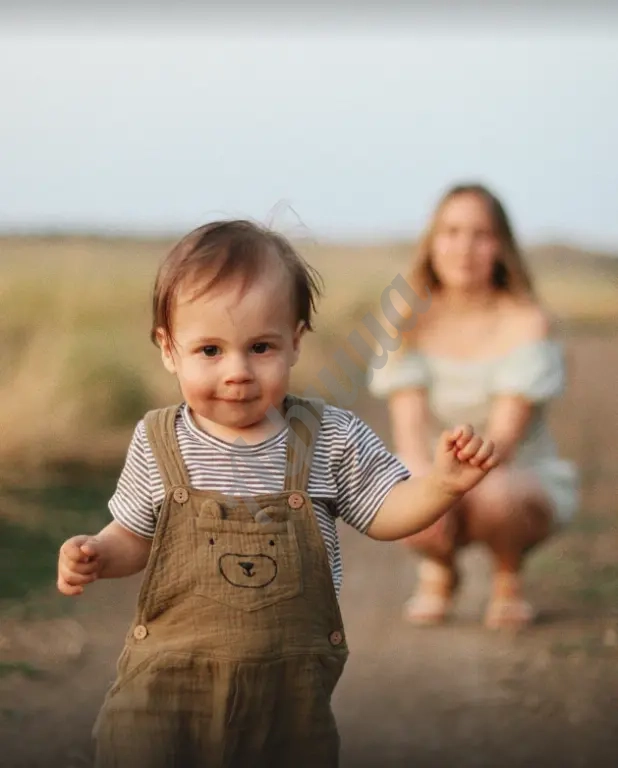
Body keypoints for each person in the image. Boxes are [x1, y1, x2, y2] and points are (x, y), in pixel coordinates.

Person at [56, 219, 498, 767]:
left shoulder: (330, 437)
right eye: (210, 350)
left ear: (296, 341)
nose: (238, 372)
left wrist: (441, 484)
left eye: (260, 347)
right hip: (165, 691)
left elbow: (384, 511)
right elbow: (136, 537)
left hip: (288, 699)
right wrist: (97, 552)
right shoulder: (158, 441)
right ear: (169, 349)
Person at [367, 182, 579, 631]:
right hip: (438, 467)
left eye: (480, 234)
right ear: (433, 242)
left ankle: (508, 577)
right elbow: (407, 431)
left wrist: (451, 484)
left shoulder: (527, 321)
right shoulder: (406, 319)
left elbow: (501, 440)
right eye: (451, 232)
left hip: (515, 476)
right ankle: (441, 568)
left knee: (493, 494)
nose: (464, 248)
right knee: (401, 490)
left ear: (500, 247)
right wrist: (429, 489)